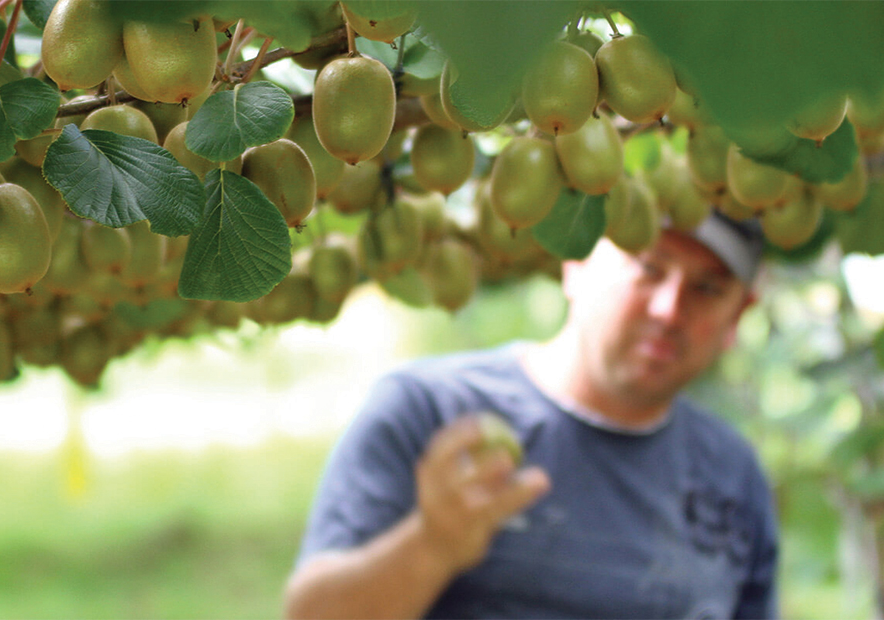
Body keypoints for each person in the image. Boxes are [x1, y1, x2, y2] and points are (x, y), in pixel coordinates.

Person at [283, 210, 779, 619]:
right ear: (575, 264)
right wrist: (431, 546)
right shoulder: (432, 412)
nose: (670, 309)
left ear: (738, 316)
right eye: (649, 267)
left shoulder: (732, 474)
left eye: (707, 289)